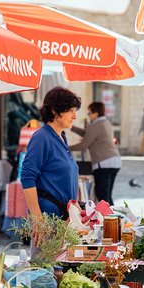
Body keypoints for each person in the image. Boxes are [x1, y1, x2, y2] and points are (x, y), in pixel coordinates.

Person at [21, 87, 80, 220]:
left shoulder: (62, 137)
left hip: (64, 217)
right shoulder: (42, 137)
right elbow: (27, 176)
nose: (75, 116)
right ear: (54, 111)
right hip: (48, 217)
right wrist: (37, 218)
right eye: (70, 110)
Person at [70, 102, 121, 205]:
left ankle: (110, 218)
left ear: (96, 113)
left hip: (103, 163)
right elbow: (88, 134)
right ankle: (113, 217)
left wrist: (66, 148)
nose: (88, 115)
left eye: (89, 113)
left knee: (102, 197)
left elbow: (84, 144)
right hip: (115, 161)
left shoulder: (95, 125)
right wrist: (71, 127)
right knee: (107, 195)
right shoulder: (106, 123)